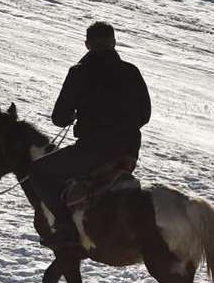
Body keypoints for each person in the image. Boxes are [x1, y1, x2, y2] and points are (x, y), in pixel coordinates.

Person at [29, 21, 151, 248]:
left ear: (87, 44)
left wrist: (77, 114)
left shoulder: (80, 72)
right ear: (114, 42)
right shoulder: (131, 71)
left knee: (38, 171)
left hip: (93, 151)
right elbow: (145, 115)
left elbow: (59, 119)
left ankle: (65, 225)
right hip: (129, 152)